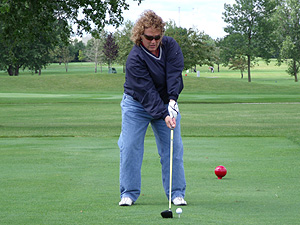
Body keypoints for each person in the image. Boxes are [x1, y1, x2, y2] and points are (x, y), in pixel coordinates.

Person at [118, 10, 187, 207]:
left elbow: (174, 74)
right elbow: (147, 92)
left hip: (166, 103)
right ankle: (128, 193)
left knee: (173, 148)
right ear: (140, 35)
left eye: (157, 37)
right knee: (130, 146)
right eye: (149, 37)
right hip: (136, 104)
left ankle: (176, 193)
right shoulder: (135, 58)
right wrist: (163, 114)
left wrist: (173, 101)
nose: (154, 41)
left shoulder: (171, 46)